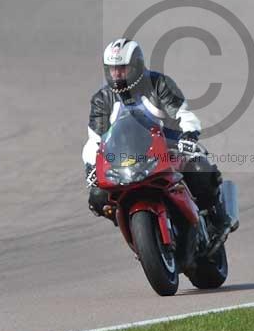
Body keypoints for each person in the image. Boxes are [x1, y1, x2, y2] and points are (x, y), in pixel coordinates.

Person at [83, 38, 228, 230]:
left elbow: (183, 113)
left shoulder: (159, 83)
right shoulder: (102, 99)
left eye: (122, 68)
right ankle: (133, 227)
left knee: (199, 170)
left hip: (170, 146)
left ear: (136, 66)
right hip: (126, 156)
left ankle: (217, 218)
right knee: (98, 197)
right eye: (112, 69)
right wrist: (92, 167)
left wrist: (189, 135)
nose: (116, 74)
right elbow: (95, 139)